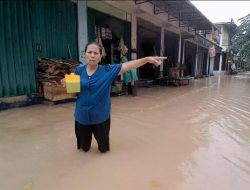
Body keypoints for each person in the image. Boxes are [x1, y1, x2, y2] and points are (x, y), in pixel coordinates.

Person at [67, 42, 166, 153]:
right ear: (85, 54)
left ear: (100, 56)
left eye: (95, 53)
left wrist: (146, 59)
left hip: (101, 119)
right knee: (84, 149)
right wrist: (68, 85)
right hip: (82, 118)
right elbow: (72, 95)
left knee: (103, 150)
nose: (92, 55)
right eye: (89, 52)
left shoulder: (107, 71)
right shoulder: (78, 71)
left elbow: (128, 65)